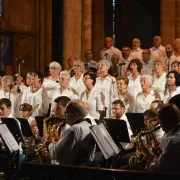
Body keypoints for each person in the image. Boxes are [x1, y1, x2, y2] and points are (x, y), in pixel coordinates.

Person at [48, 99, 96, 166]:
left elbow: (57, 155)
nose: (65, 116)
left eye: (66, 113)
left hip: (66, 169)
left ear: (75, 115)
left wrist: (49, 144)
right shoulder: (88, 126)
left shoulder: (73, 130)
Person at [148, 104, 180, 173]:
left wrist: (150, 160)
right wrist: (161, 152)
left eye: (160, 120)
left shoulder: (172, 141)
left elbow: (159, 168)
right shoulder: (175, 131)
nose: (159, 123)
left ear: (166, 120)